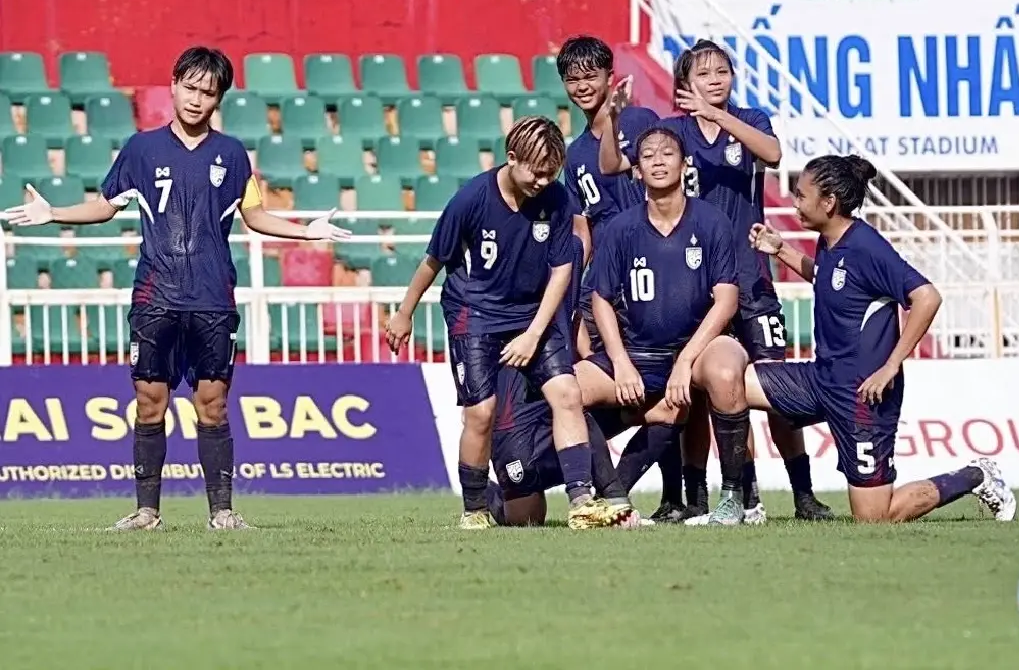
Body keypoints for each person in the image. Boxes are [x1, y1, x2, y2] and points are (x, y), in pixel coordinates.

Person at [4, 46, 350, 531]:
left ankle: (223, 512)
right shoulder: (141, 149)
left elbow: (255, 217)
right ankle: (147, 511)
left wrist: (306, 231)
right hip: (154, 297)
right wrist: (54, 213)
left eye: (208, 92)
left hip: (212, 299)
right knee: (150, 401)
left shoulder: (232, 155)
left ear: (219, 99)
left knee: (211, 405)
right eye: (190, 87)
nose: (196, 99)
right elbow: (105, 207)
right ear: (173, 85)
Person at [694, 154, 1017, 524]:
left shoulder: (866, 245)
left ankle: (975, 476)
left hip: (863, 395)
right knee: (725, 381)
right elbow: (833, 281)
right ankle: (738, 502)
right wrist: (781, 250)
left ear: (828, 202)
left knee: (875, 516)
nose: (795, 203)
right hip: (820, 379)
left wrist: (890, 367)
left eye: (801, 196)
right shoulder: (829, 241)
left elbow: (927, 297)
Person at [597, 39, 832, 522]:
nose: (715, 80)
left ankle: (803, 494)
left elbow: (772, 154)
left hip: (751, 278)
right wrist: (611, 119)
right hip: (695, 284)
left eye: (722, 71)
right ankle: (719, 497)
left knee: (775, 387)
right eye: (704, 75)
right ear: (685, 83)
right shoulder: (673, 133)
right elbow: (610, 166)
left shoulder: (750, 121)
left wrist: (717, 114)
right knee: (703, 393)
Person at [384, 116, 622, 531]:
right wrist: (404, 312)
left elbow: (562, 272)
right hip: (474, 314)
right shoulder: (471, 198)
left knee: (568, 393)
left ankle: (582, 502)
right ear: (512, 159)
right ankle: (474, 509)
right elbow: (433, 261)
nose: (544, 181)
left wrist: (534, 333)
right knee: (481, 413)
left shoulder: (559, 200)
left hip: (530, 315)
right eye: (537, 171)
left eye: (552, 172)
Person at [577, 125, 754, 523]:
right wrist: (620, 362)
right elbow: (600, 298)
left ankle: (732, 497)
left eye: (667, 153)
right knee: (567, 391)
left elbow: (727, 300)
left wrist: (686, 361)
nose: (658, 160)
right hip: (639, 352)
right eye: (648, 155)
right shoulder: (622, 227)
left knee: (726, 373)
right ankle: (613, 497)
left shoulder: (711, 221)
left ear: (685, 163)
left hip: (701, 346)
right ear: (636, 170)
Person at [555, 35, 685, 520]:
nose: (583, 85)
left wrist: (612, 115)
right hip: (603, 286)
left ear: (610, 77)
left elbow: (636, 176)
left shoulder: (638, 122)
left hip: (654, 275)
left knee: (671, 388)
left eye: (592, 76)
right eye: (573, 78)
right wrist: (576, 288)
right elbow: (583, 226)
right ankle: (610, 493)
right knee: (581, 384)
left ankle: (676, 496)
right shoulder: (571, 154)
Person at [486, 366, 641, 528]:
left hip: (561, 418)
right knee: (524, 519)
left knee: (575, 398)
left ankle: (613, 498)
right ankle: (484, 488)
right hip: (517, 436)